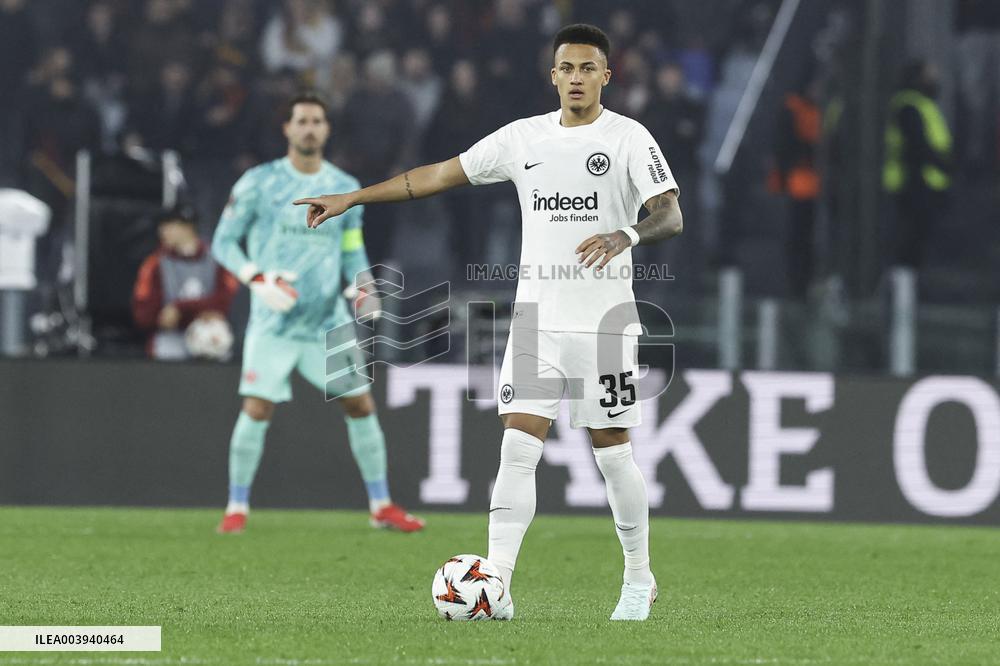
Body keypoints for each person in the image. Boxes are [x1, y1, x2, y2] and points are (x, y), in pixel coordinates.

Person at [296, 24, 683, 621]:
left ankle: (638, 579)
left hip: (606, 324)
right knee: (517, 448)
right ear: (552, 75)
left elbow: (670, 214)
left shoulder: (629, 137)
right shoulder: (522, 139)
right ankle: (496, 582)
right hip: (536, 321)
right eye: (567, 68)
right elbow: (435, 176)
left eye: (588, 68)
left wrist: (624, 233)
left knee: (611, 452)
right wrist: (354, 199)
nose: (576, 78)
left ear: (607, 76)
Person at [211, 92, 424, 534]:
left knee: (361, 404)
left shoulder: (343, 185)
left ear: (326, 130)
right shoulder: (260, 182)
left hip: (328, 321)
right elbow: (223, 242)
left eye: (317, 121)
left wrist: (364, 286)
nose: (309, 128)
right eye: (302, 121)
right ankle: (237, 508)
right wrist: (257, 279)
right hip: (274, 322)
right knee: (257, 408)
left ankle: (381, 505)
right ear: (287, 129)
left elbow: (350, 248)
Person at [133, 208, 239, 360]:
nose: (163, 231)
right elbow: (143, 312)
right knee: (167, 351)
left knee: (217, 339)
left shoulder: (217, 259)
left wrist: (180, 308)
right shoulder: (155, 263)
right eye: (162, 226)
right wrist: (161, 317)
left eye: (171, 225)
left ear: (188, 228)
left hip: (208, 332)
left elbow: (224, 301)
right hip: (171, 337)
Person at [882, 60, 953, 269]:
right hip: (914, 182)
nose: (934, 79)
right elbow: (916, 146)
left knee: (918, 240)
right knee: (910, 240)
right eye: (929, 74)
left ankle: (909, 286)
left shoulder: (922, 104)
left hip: (926, 182)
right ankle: (904, 290)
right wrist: (942, 164)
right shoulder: (909, 106)